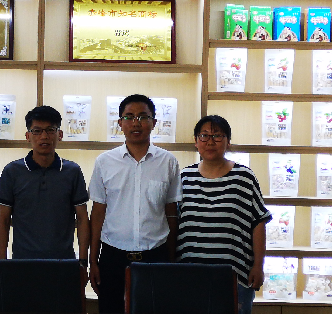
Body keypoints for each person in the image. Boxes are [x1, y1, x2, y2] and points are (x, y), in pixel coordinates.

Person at [89, 94, 182, 314]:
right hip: (113, 256)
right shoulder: (104, 162)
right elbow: (98, 214)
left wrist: (171, 259)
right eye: (129, 117)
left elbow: (171, 213)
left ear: (154, 122)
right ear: (120, 123)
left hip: (155, 256)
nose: (136, 123)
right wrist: (93, 260)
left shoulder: (168, 162)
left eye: (143, 117)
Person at [177, 115, 272, 314]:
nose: (210, 141)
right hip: (189, 274)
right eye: (204, 135)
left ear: (228, 141)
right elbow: (174, 222)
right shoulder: (184, 177)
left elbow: (258, 222)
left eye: (217, 136)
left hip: (235, 275)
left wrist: (258, 265)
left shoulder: (244, 177)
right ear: (196, 141)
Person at [0, 105, 90, 267]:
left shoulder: (72, 171)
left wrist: (82, 261)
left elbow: (82, 219)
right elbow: (3, 221)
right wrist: (1, 264)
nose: (44, 136)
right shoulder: (12, 171)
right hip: (22, 263)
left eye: (50, 130)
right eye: (37, 131)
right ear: (28, 136)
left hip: (64, 263)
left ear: (60, 135)